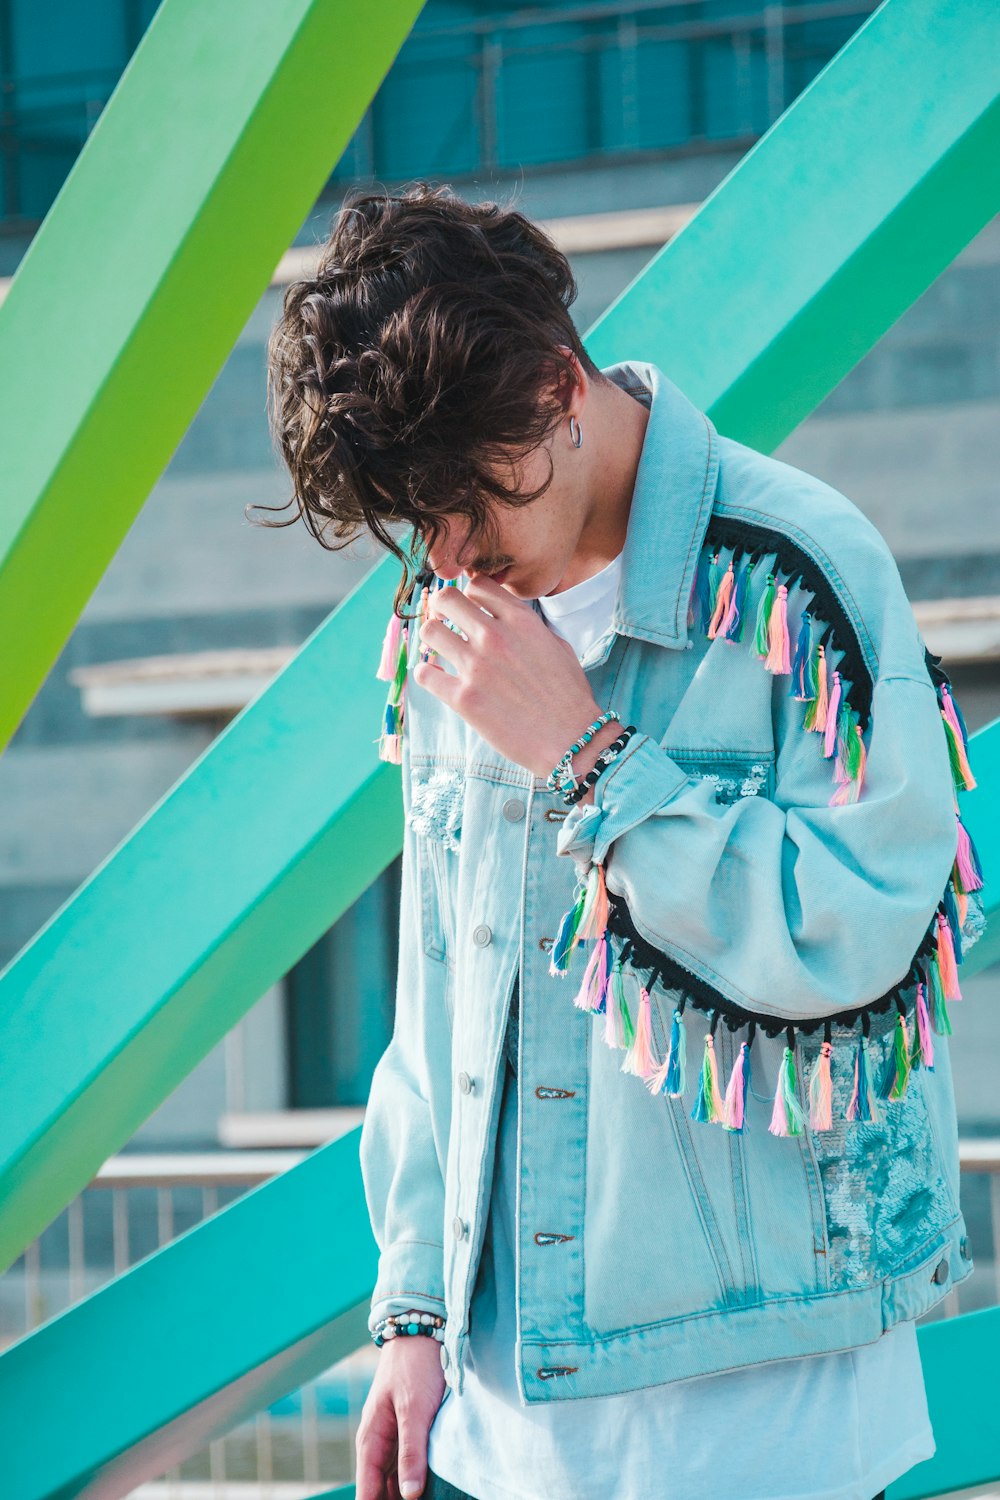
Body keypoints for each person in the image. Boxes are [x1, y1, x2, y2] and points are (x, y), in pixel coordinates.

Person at [259, 181, 985, 1500]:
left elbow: (865, 936)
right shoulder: (453, 615)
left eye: (472, 501)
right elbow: (442, 985)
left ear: (552, 383)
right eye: (421, 524)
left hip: (765, 1410)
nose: (456, 554)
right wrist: (414, 1305)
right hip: (500, 1418)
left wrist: (590, 762)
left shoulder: (798, 571)